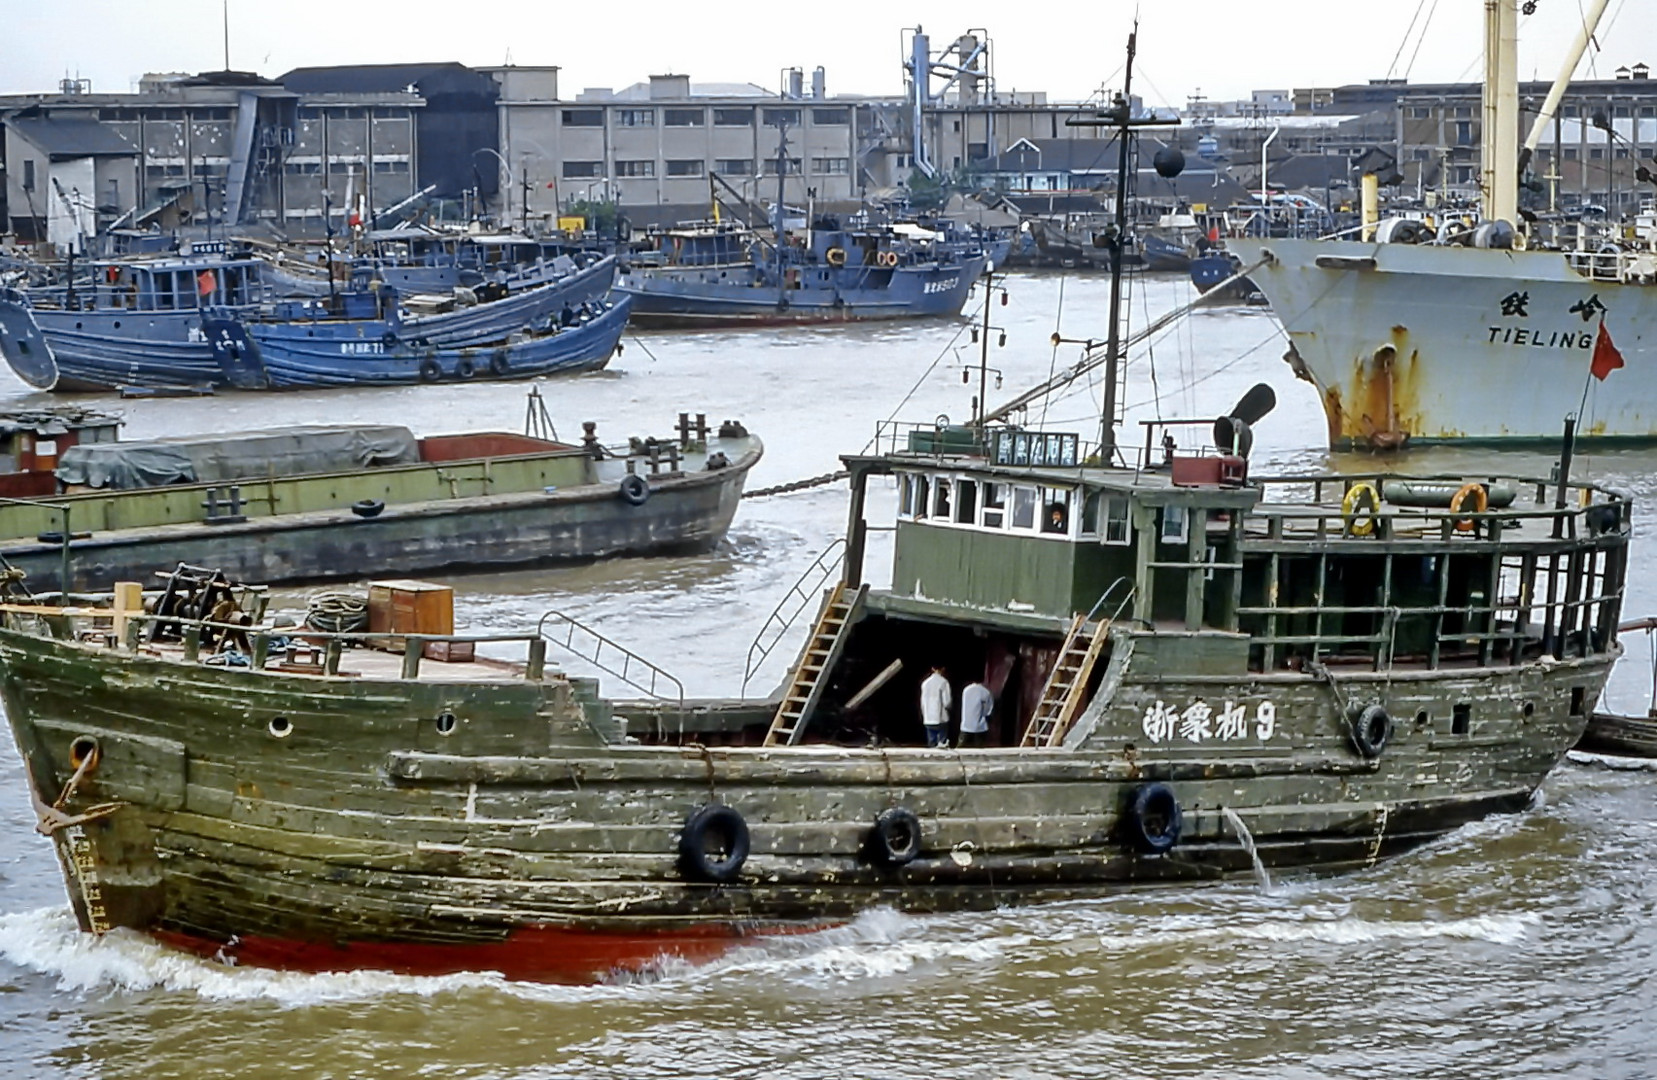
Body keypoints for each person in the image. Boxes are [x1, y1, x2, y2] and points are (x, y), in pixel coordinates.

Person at [920, 665, 952, 748]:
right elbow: (947, 702)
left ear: (932, 669)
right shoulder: (944, 682)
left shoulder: (925, 683)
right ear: (943, 669)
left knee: (931, 744)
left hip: (928, 718)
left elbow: (922, 702)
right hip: (941, 718)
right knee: (942, 744)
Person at [960, 680, 992, 748]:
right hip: (980, 727)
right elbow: (988, 710)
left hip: (966, 726)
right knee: (979, 751)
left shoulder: (966, 690)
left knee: (962, 750)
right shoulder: (985, 692)